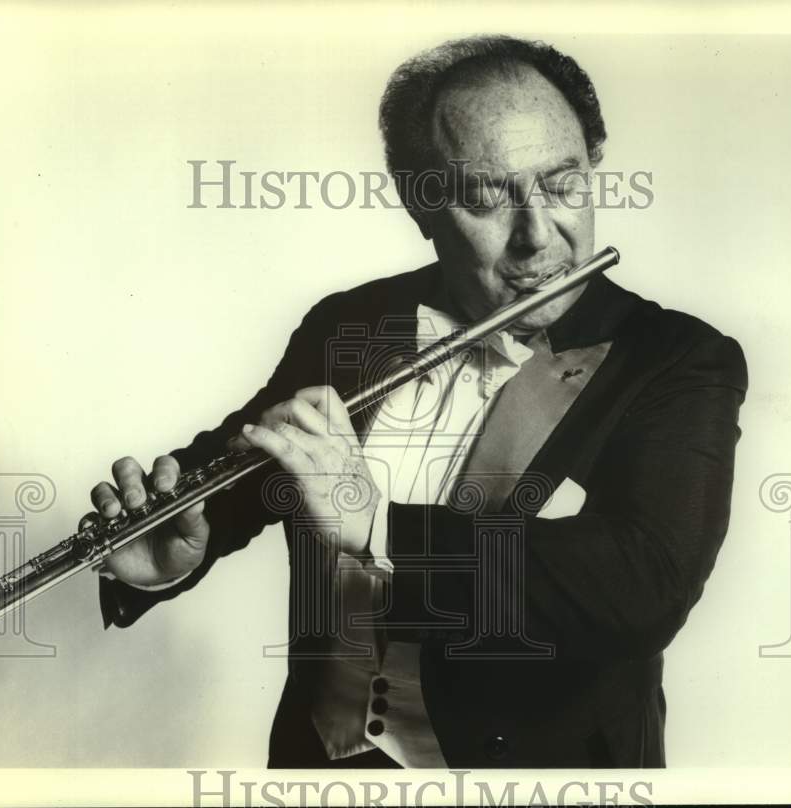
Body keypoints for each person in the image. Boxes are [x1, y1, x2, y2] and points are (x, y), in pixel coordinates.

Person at [92, 35, 748, 768]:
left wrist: (376, 523)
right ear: (421, 203)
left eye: (563, 186)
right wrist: (183, 544)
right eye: (488, 197)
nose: (539, 238)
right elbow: (247, 473)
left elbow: (641, 587)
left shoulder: (676, 360)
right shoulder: (349, 327)